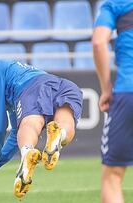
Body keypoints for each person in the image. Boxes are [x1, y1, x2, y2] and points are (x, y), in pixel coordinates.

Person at [0, 36, 83, 198]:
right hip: (65, 86)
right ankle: (59, 135)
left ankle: (27, 152)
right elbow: (13, 137)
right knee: (64, 123)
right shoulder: (9, 79)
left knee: (29, 124)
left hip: (33, 87)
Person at [93, 1, 133, 203]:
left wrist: (106, 87)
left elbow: (99, 43)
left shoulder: (117, 4)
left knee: (113, 175)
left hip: (128, 91)